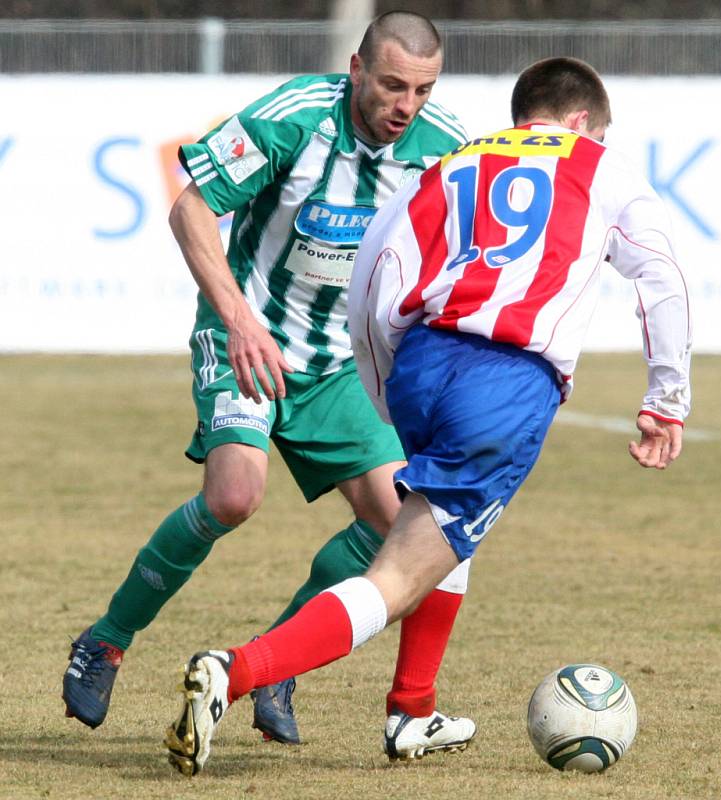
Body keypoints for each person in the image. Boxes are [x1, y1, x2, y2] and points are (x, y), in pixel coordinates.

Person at [163, 56, 692, 777]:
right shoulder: (598, 163)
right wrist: (665, 399)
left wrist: (386, 389)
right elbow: (660, 275)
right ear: (579, 124)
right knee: (398, 576)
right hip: (503, 383)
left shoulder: (455, 160)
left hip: (419, 362)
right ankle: (236, 670)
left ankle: (412, 711)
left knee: (441, 533)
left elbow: (378, 270)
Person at [63, 10, 477, 758]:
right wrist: (238, 320)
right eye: (389, 84)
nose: (404, 105)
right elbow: (191, 205)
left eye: (420, 89)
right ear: (355, 68)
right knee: (233, 495)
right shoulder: (294, 118)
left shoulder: (444, 147)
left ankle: (271, 666)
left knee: (398, 525)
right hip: (246, 338)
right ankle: (106, 640)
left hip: (341, 364)